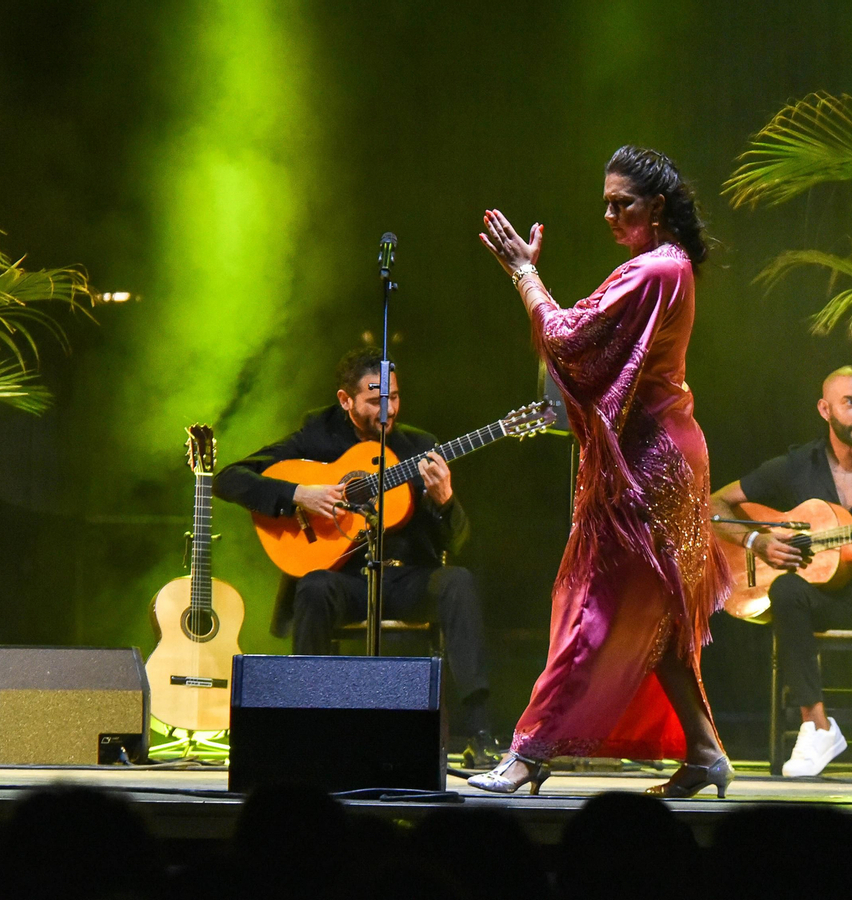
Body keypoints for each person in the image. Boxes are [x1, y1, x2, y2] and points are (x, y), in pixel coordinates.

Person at [471, 145, 733, 797]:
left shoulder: (653, 272)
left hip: (649, 465)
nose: (612, 215)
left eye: (625, 203)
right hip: (662, 454)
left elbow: (567, 340)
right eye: (606, 204)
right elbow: (584, 342)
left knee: (589, 605)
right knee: (660, 615)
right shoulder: (668, 268)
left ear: (659, 208)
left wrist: (523, 275)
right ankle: (704, 754)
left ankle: (529, 753)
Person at [214, 348, 494, 762]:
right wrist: (298, 494)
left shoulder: (419, 447)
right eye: (375, 400)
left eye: (395, 398)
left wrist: (446, 501)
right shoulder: (315, 437)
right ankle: (306, 726)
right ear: (345, 400)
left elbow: (461, 540)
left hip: (405, 579)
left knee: (459, 582)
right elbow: (229, 479)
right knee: (312, 587)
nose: (388, 410)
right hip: (344, 580)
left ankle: (481, 730)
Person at [710, 366, 852, 778]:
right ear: (824, 409)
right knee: (787, 592)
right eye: (850, 403)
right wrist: (756, 542)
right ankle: (817, 727)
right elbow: (715, 505)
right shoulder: (795, 466)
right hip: (818, 597)